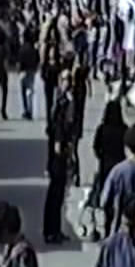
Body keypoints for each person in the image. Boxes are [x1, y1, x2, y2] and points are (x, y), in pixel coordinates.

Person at [43, 69, 75, 244]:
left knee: (60, 194)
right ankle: (50, 230)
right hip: (58, 154)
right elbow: (57, 127)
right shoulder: (61, 102)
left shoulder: (67, 99)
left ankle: (55, 229)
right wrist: (59, 144)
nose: (67, 82)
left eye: (69, 79)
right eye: (64, 79)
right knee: (55, 194)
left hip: (63, 150)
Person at [71, 57, 91, 186]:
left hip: (72, 126)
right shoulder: (81, 89)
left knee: (72, 151)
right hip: (77, 125)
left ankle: (74, 174)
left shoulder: (73, 93)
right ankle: (75, 174)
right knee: (74, 151)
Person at [18, 34, 40, 120]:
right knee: (30, 92)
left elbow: (20, 60)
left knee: (23, 92)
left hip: (24, 71)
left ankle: (26, 109)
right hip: (32, 71)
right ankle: (30, 110)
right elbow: (37, 59)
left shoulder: (22, 49)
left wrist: (19, 70)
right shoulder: (34, 49)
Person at [41, 45, 61, 126]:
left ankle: (55, 121)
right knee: (48, 103)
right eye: (50, 51)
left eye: (53, 52)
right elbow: (42, 74)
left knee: (56, 103)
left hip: (56, 85)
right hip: (48, 85)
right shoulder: (45, 64)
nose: (51, 53)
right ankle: (49, 122)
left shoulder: (58, 63)